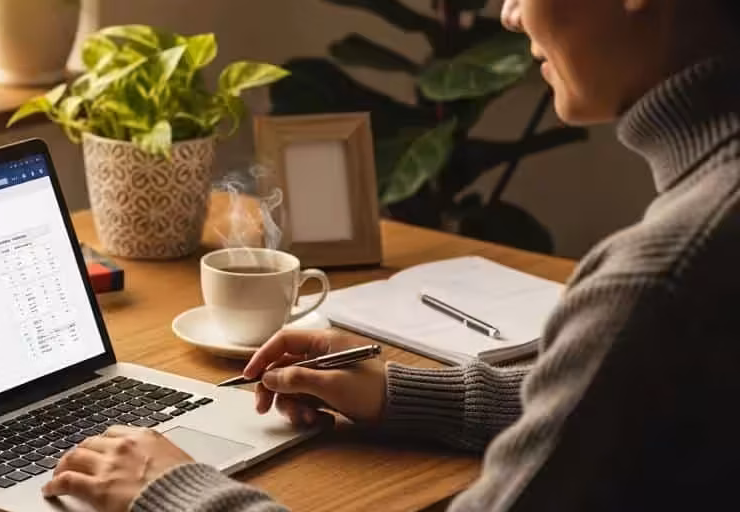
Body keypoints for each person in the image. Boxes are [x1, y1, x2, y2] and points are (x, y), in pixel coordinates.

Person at [41, 0, 740, 510]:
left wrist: (175, 491)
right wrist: (400, 392)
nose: (509, 14)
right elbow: (631, 404)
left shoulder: (656, 278)